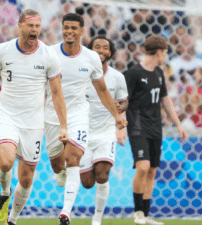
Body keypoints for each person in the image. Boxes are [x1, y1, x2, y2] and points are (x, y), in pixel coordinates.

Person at [0, 9, 68, 225]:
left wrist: (63, 126)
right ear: (20, 26)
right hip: (7, 114)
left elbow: (56, 93)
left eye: (38, 26)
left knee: (27, 178)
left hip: (34, 122)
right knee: (7, 161)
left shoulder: (49, 56)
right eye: (30, 26)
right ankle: (4, 192)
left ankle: (12, 219)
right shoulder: (3, 51)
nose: (35, 30)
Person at [44, 13, 127, 225]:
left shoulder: (91, 60)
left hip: (81, 117)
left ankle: (67, 213)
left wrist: (117, 117)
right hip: (53, 115)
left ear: (82, 31)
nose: (69, 31)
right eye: (66, 27)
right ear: (62, 29)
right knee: (60, 166)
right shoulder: (50, 53)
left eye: (74, 28)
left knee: (79, 163)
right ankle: (59, 170)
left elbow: (103, 91)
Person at [124, 35, 187, 225]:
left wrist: (178, 123)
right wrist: (119, 124)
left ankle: (145, 214)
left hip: (155, 127)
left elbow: (165, 99)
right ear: (159, 51)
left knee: (151, 171)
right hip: (137, 126)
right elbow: (122, 102)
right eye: (166, 51)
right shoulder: (133, 73)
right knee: (142, 166)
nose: (165, 55)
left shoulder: (159, 72)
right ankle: (137, 213)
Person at [79, 35, 128, 225]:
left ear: (110, 52)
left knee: (102, 174)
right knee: (87, 183)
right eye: (96, 47)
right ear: (89, 50)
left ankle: (97, 219)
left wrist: (121, 110)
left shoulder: (117, 77)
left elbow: (124, 101)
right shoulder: (82, 74)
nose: (100, 50)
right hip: (83, 132)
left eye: (104, 47)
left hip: (106, 132)